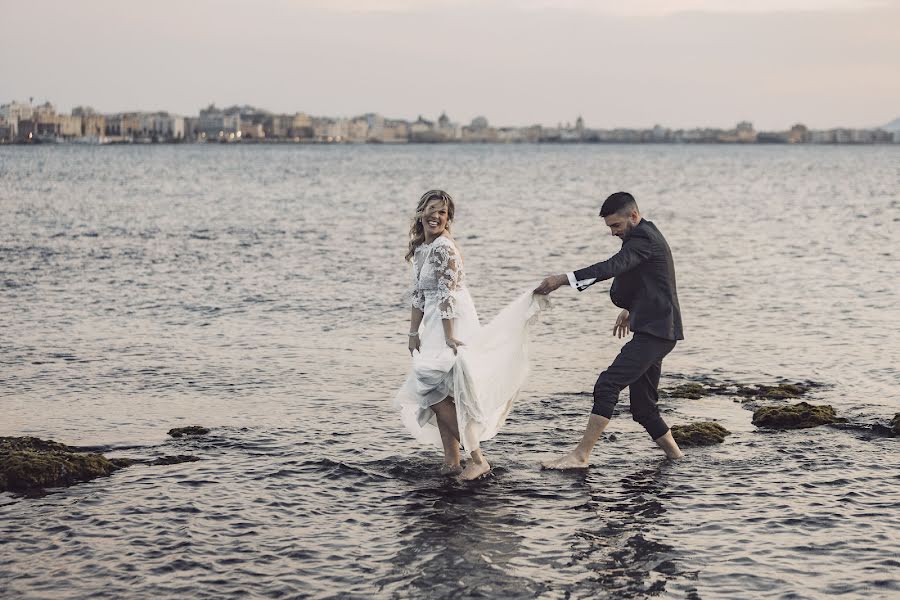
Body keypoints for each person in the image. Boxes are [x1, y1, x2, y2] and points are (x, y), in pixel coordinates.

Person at [394, 190, 547, 481]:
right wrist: (413, 332)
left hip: (453, 322)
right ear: (420, 212)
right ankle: (452, 461)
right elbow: (418, 295)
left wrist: (451, 336)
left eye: (442, 212)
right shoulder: (420, 249)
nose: (436, 216)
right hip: (434, 323)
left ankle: (477, 459)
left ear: (448, 218)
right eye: (431, 209)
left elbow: (447, 295)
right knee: (442, 391)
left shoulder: (444, 247)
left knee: (432, 389)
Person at [533, 192, 684, 468]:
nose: (613, 233)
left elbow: (613, 266)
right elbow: (651, 278)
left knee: (607, 384)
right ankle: (678, 459)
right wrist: (630, 309)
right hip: (658, 328)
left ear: (634, 216)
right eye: (610, 227)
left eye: (616, 226)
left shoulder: (643, 238)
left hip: (657, 332)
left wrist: (563, 280)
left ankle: (581, 455)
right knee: (643, 408)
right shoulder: (645, 236)